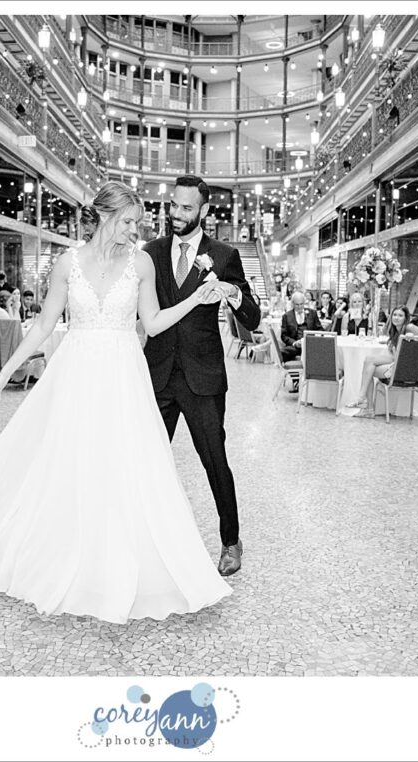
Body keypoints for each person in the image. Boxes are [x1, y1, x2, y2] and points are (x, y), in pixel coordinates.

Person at [0, 181, 233, 624]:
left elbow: (154, 323)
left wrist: (196, 298)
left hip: (123, 377)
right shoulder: (68, 263)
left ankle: (115, 563)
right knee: (70, 462)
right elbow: (43, 326)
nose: (135, 231)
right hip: (76, 375)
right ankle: (67, 554)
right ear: (104, 215)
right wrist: (4, 370)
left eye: (138, 223)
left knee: (124, 468)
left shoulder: (140, 263)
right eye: (128, 222)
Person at [143, 174, 262, 577]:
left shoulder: (224, 255)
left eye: (186, 208)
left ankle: (231, 541)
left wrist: (234, 295)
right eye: (173, 206)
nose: (177, 214)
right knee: (145, 460)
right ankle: (141, 540)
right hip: (157, 374)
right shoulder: (151, 252)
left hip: (203, 378)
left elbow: (252, 318)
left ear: (204, 210)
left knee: (215, 461)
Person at [350, 306, 418, 410]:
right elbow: (395, 355)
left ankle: (365, 403)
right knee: (369, 362)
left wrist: (412, 335)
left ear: (405, 318)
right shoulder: (395, 330)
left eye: (400, 315)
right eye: (394, 315)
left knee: (369, 369)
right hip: (398, 362)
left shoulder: (410, 327)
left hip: (407, 370)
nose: (396, 318)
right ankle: (363, 400)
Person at [280, 290, 322, 362]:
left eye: (301, 304)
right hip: (295, 346)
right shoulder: (286, 316)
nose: (299, 307)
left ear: (304, 303)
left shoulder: (312, 313)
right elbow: (284, 335)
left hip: (310, 345)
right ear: (292, 304)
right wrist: (295, 343)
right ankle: (291, 368)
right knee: (283, 352)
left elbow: (320, 329)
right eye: (297, 305)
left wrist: (313, 340)